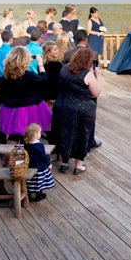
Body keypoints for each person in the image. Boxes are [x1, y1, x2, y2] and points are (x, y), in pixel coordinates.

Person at [51, 47, 101, 175]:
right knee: (82, 135)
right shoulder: (87, 74)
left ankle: (64, 163)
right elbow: (95, 93)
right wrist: (98, 76)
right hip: (81, 109)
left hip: (62, 106)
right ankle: (78, 165)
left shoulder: (64, 68)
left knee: (65, 133)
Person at [0, 47, 52, 137]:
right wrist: (40, 64)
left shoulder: (5, 77)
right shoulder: (29, 76)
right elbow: (44, 79)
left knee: (14, 136)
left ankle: (12, 150)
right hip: (30, 109)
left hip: (12, 110)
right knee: (31, 135)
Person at [22, 123, 54, 203]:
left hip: (29, 166)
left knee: (30, 181)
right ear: (35, 134)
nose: (40, 134)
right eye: (39, 132)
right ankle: (38, 194)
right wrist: (48, 163)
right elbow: (43, 156)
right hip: (39, 166)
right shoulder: (39, 146)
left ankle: (28, 194)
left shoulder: (26, 144)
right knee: (38, 181)